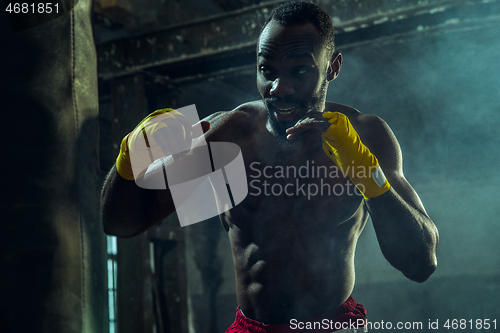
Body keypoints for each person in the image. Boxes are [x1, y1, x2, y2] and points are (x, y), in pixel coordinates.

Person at [101, 2, 439, 332]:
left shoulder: (366, 134)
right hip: (253, 327)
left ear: (332, 68)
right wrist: (130, 157)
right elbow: (121, 224)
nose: (280, 88)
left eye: (299, 71)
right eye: (268, 71)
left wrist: (367, 172)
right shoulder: (230, 136)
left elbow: (420, 263)